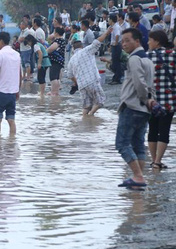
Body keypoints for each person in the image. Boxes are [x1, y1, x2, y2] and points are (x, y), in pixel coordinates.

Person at [116, 28, 156, 189]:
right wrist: (150, 101)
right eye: (122, 41)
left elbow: (140, 83)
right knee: (138, 144)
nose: (124, 44)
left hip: (132, 106)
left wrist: (145, 100)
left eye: (127, 40)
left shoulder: (133, 59)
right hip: (144, 110)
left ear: (137, 41)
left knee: (122, 144)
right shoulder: (147, 59)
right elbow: (150, 84)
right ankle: (138, 178)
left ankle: (138, 176)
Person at [147, 30, 176, 170]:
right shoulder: (173, 55)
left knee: (152, 129)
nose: (148, 43)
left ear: (157, 41)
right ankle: (158, 161)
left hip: (151, 101)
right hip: (169, 100)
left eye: (150, 40)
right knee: (164, 130)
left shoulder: (146, 57)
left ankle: (153, 161)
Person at [67, 25, 110, 115]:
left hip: (81, 85)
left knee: (86, 106)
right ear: (81, 46)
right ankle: (90, 116)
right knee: (100, 100)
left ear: (73, 49)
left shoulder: (71, 59)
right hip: (92, 80)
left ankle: (84, 120)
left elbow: (70, 75)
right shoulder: (86, 50)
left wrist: (77, 82)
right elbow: (97, 41)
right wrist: (106, 32)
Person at [45, 27, 67, 96]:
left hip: (55, 61)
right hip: (59, 61)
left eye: (54, 32)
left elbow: (51, 49)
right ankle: (55, 92)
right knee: (56, 77)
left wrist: (45, 51)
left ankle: (54, 92)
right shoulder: (62, 40)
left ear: (56, 33)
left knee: (53, 77)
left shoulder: (58, 41)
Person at [108, 14, 124, 85]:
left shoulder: (116, 27)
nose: (108, 21)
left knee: (116, 62)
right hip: (114, 45)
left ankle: (117, 78)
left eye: (109, 19)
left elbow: (117, 35)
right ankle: (116, 77)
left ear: (111, 20)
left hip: (117, 46)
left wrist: (116, 43)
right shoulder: (113, 27)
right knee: (114, 62)